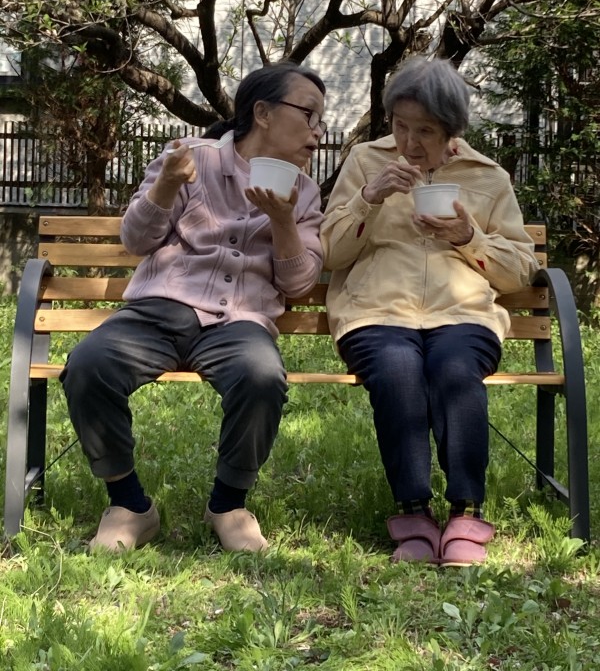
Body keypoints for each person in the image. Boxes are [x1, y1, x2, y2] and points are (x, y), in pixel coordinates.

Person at [60, 62, 327, 552]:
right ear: (263, 113)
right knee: (89, 364)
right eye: (309, 115)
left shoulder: (305, 193)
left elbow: (298, 283)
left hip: (239, 321)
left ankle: (228, 506)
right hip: (160, 309)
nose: (317, 132)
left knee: (262, 376)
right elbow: (137, 241)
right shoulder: (190, 159)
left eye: (320, 122)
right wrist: (165, 186)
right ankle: (129, 505)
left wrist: (284, 221)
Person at [320, 56, 538, 566]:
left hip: (462, 313)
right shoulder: (366, 162)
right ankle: (413, 513)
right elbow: (329, 253)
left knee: (456, 370)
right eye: (400, 126)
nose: (410, 143)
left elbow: (519, 269)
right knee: (397, 371)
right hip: (375, 311)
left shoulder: (487, 177)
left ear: (452, 131)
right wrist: (369, 198)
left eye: (425, 131)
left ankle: (466, 511)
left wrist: (468, 236)